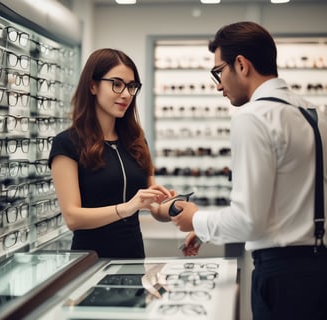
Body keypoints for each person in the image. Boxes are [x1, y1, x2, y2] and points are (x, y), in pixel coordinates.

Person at [171, 21, 327, 320]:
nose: (218, 84)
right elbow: (289, 198)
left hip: (283, 278)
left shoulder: (253, 117)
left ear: (241, 64)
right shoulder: (312, 113)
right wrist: (204, 232)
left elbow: (248, 221)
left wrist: (196, 219)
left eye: (219, 71)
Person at [48, 48, 176, 259]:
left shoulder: (136, 140)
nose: (126, 94)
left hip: (134, 258)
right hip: (90, 262)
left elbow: (153, 206)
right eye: (117, 84)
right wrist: (127, 208)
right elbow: (73, 217)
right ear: (92, 85)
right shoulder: (67, 143)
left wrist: (173, 206)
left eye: (132, 86)